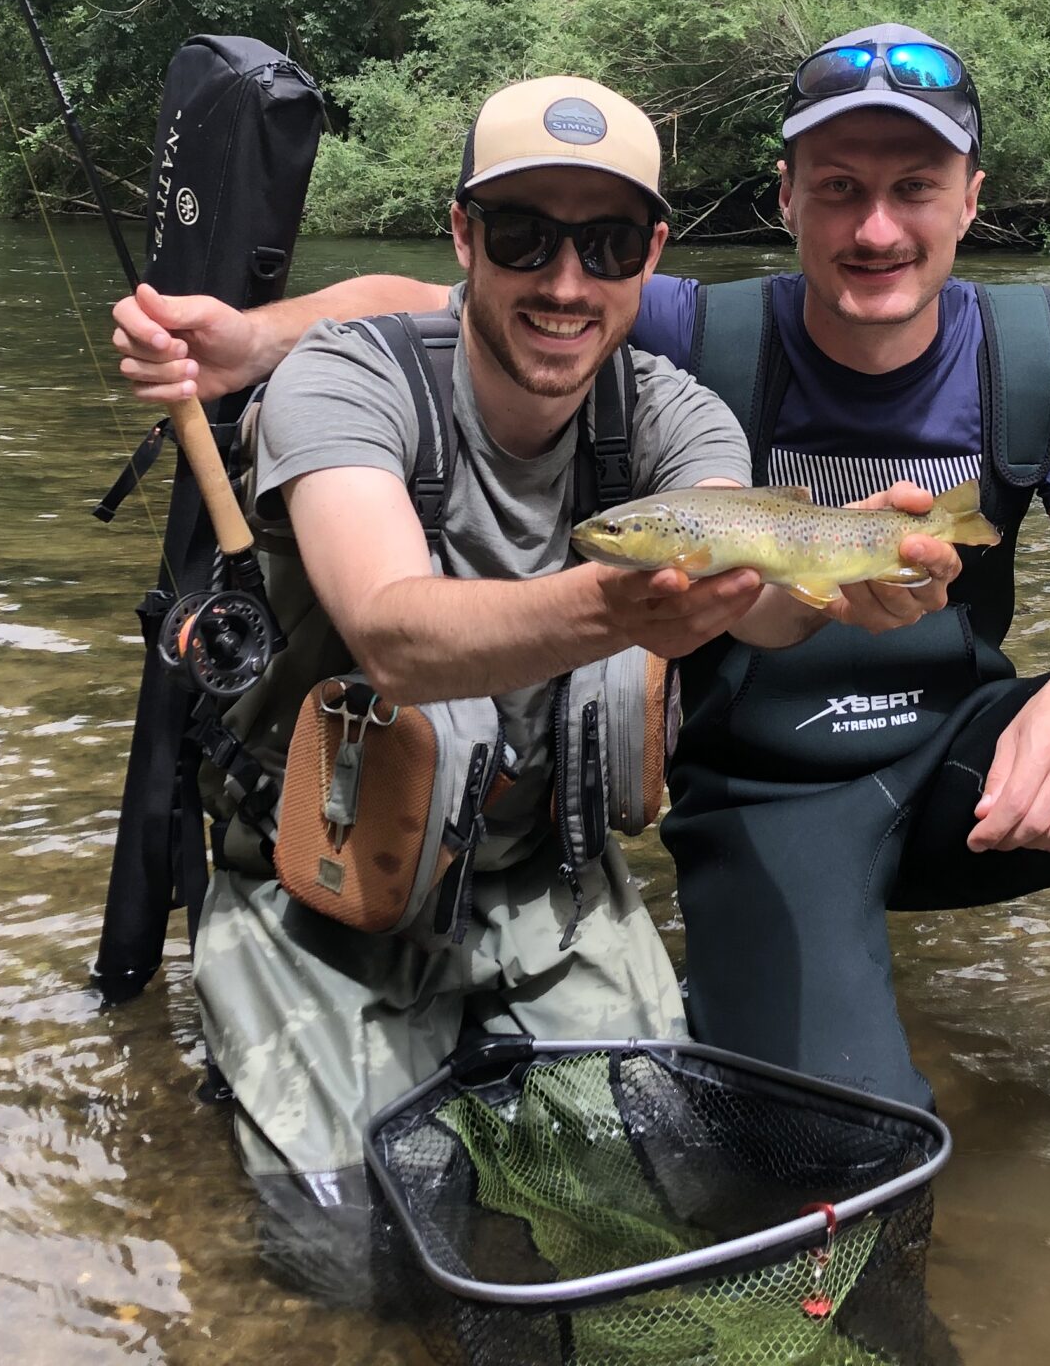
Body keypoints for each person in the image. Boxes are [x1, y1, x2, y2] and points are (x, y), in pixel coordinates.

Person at [114, 30, 1050, 1115]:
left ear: (971, 199)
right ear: (785, 198)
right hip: (766, 791)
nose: (877, 226)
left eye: (914, 186)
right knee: (818, 1152)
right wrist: (258, 342)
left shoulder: (1040, 351)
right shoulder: (679, 327)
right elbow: (433, 307)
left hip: (953, 766)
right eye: (840, 187)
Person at [182, 75, 939, 1294]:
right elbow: (390, 635)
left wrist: (847, 586)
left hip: (553, 882)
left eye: (604, 243)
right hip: (326, 896)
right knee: (349, 1267)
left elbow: (765, 605)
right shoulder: (347, 382)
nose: (565, 284)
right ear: (464, 237)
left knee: (660, 1223)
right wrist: (611, 604)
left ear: (651, 252)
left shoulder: (678, 421)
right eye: (525, 237)